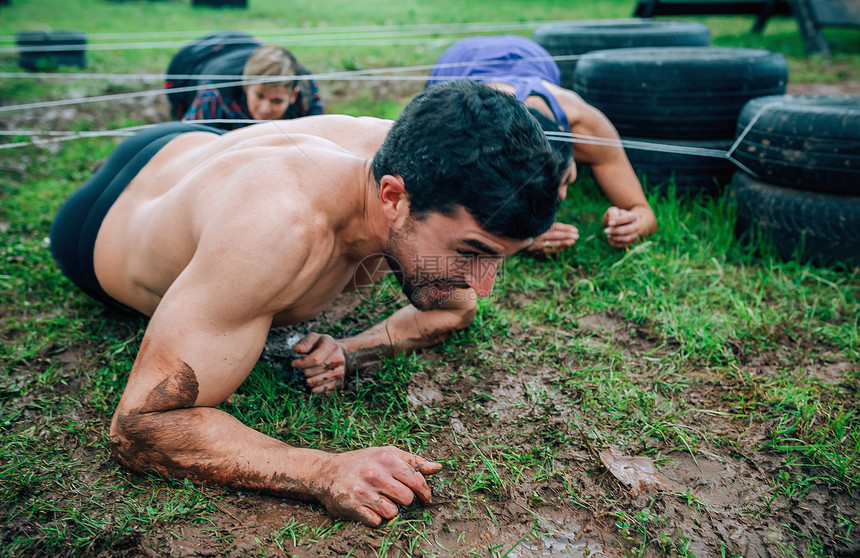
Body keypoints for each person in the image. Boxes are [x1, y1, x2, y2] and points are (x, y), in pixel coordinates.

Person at [49, 80, 562, 527]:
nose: (486, 284)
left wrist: (352, 348)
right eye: (472, 253)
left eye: (498, 258)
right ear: (392, 199)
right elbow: (140, 426)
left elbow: (459, 308)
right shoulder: (274, 231)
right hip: (98, 225)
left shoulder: (419, 156)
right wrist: (321, 470)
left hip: (198, 147)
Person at [428, 35, 657, 253]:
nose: (562, 196)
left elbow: (643, 211)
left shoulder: (588, 125)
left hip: (527, 52)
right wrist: (521, 240)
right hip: (460, 58)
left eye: (567, 179)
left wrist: (635, 223)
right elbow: (442, 219)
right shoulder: (467, 133)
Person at [164, 31, 324, 130]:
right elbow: (191, 139)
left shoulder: (307, 92)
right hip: (196, 64)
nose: (265, 109)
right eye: (259, 96)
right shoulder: (215, 93)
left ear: (293, 95)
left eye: (276, 101)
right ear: (247, 86)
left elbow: (318, 138)